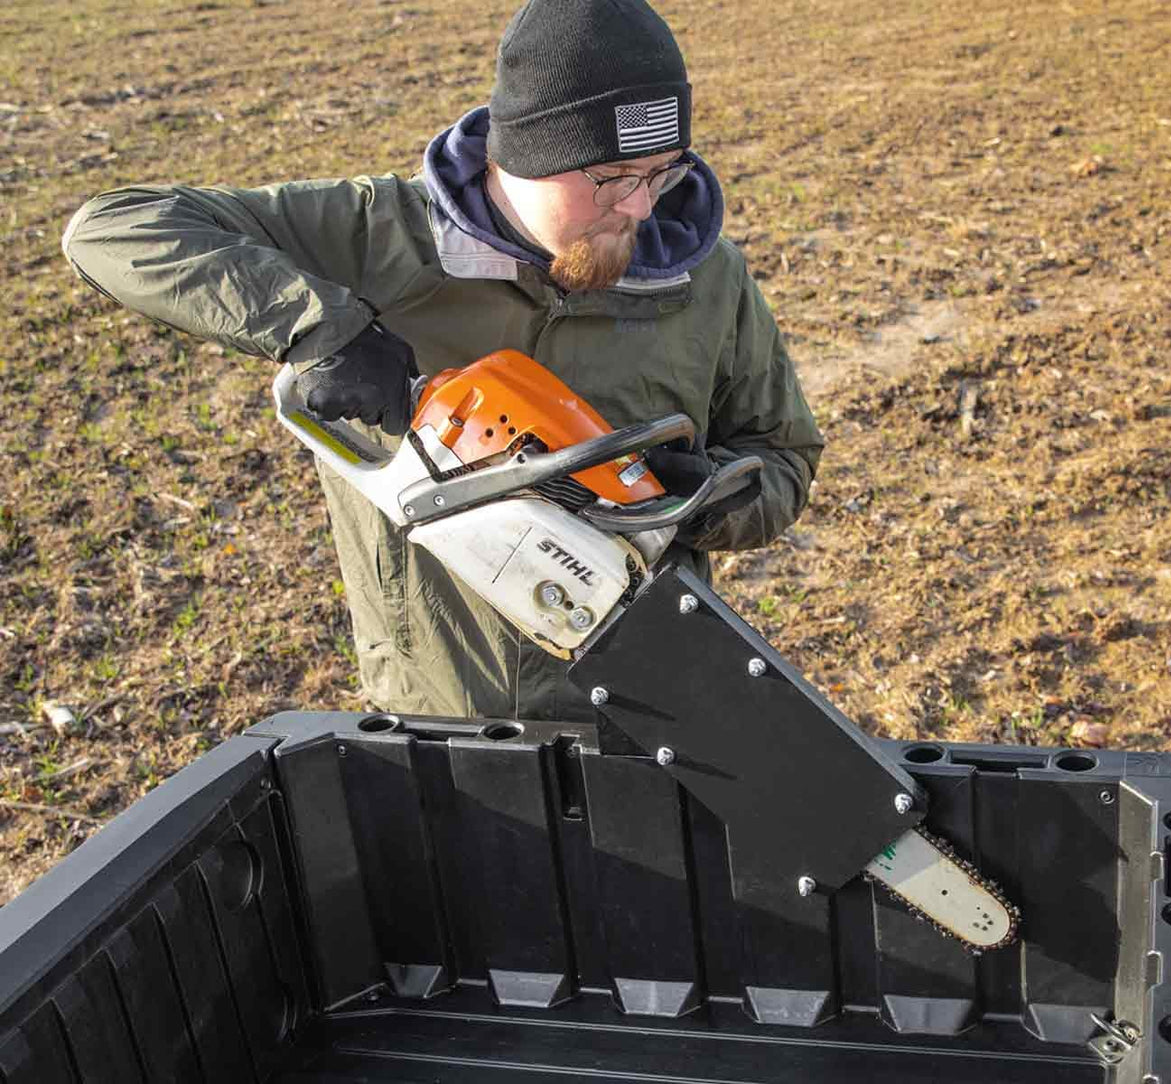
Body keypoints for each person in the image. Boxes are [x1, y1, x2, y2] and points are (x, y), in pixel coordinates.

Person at [60, 0, 824, 723]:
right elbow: (113, 226)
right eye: (612, 179)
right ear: (522, 154)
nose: (640, 207)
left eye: (662, 171)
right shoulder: (379, 238)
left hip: (650, 706)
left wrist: (713, 499)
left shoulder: (706, 277)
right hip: (435, 710)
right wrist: (318, 327)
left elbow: (781, 453)